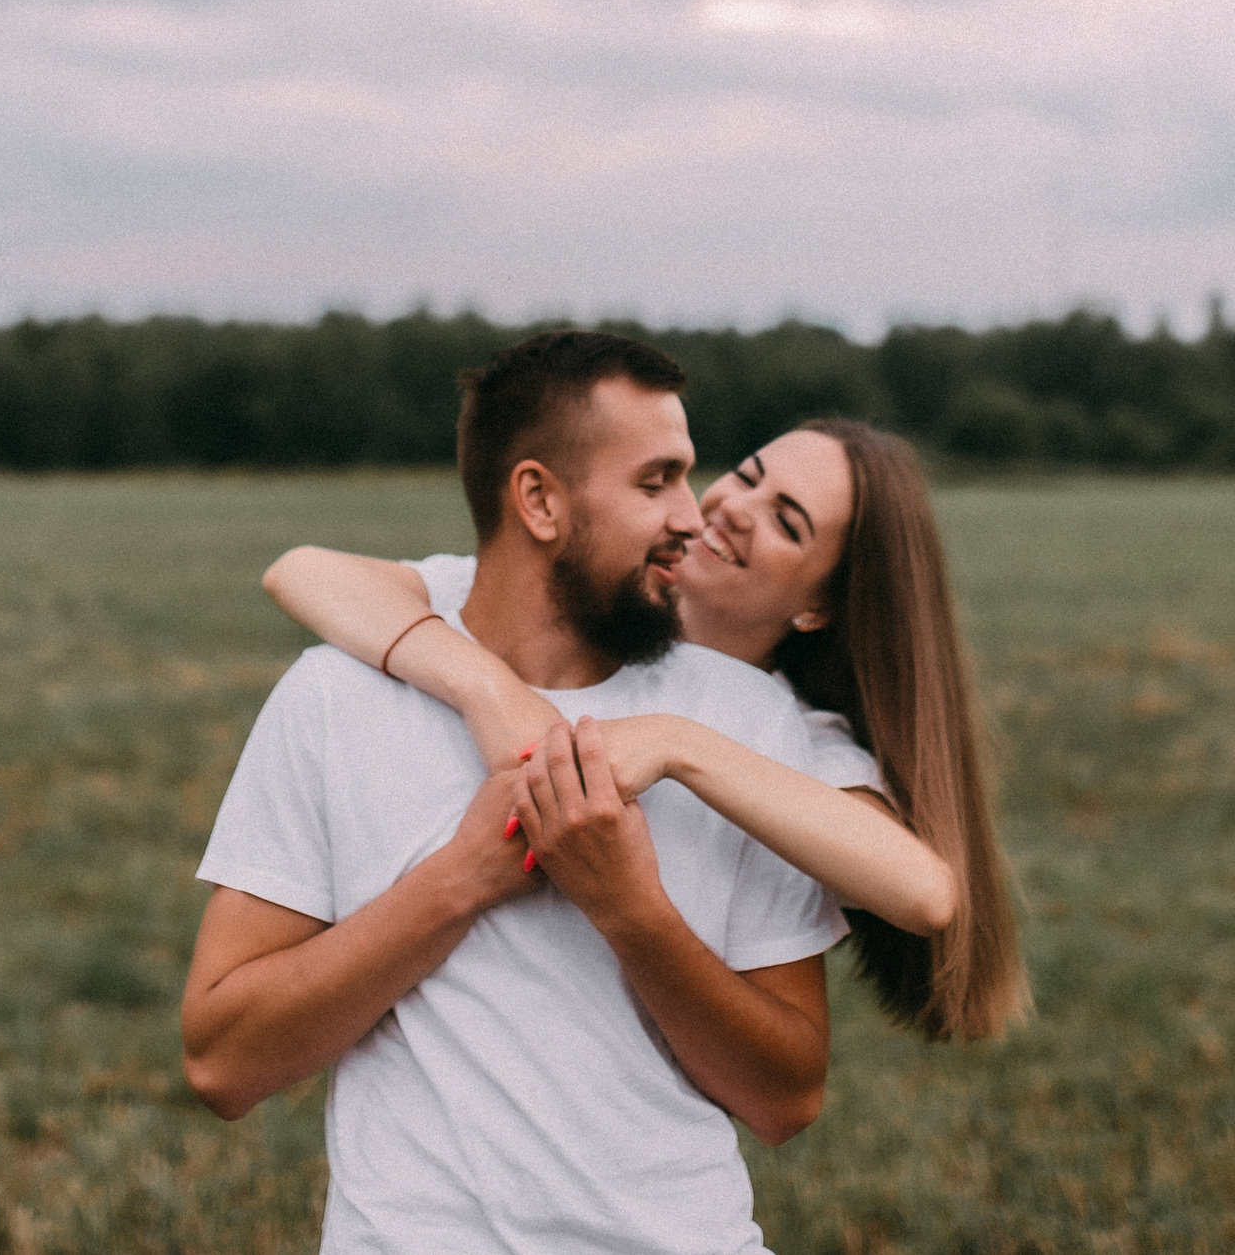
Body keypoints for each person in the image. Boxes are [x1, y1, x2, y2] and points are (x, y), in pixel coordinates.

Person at [182, 332, 848, 1254]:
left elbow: (787, 1098)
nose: (693, 519)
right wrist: (459, 880)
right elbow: (222, 1061)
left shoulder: (740, 724)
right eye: (656, 482)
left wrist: (631, 910)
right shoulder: (335, 696)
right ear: (538, 498)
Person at [266, 417, 1027, 1043]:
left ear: (817, 608)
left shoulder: (788, 735)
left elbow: (925, 892)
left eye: (785, 522)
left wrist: (675, 742)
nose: (734, 506)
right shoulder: (572, 600)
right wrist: (484, 685)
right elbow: (302, 571)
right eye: (751, 476)